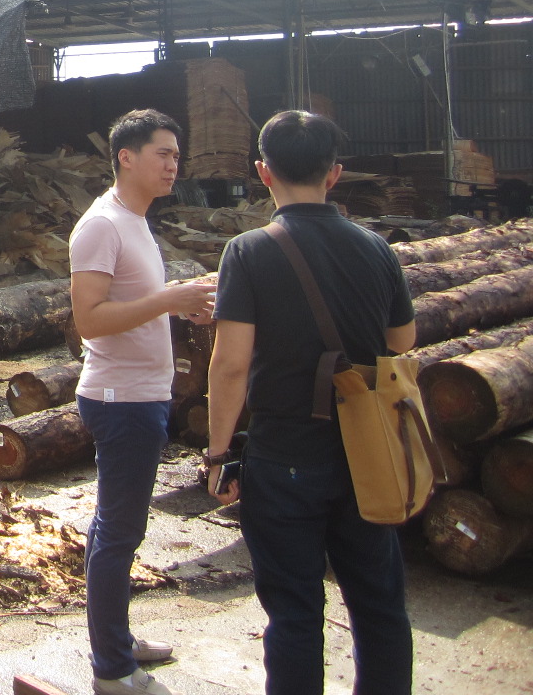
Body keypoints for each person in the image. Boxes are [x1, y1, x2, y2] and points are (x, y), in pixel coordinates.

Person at [206, 110, 415, 694]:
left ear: (262, 172)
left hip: (284, 459)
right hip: (367, 454)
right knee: (379, 606)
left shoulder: (248, 251)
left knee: (295, 614)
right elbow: (402, 342)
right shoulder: (377, 249)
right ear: (335, 173)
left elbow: (230, 364)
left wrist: (218, 454)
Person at [70, 109, 216, 695]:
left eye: (177, 155)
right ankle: (112, 669)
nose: (173, 165)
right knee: (119, 531)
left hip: (141, 395)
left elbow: (134, 304)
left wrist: (179, 306)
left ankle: (117, 640)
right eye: (163, 153)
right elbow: (89, 319)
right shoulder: (101, 225)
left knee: (115, 527)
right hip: (120, 399)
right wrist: (168, 300)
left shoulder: (134, 220)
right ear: (125, 157)